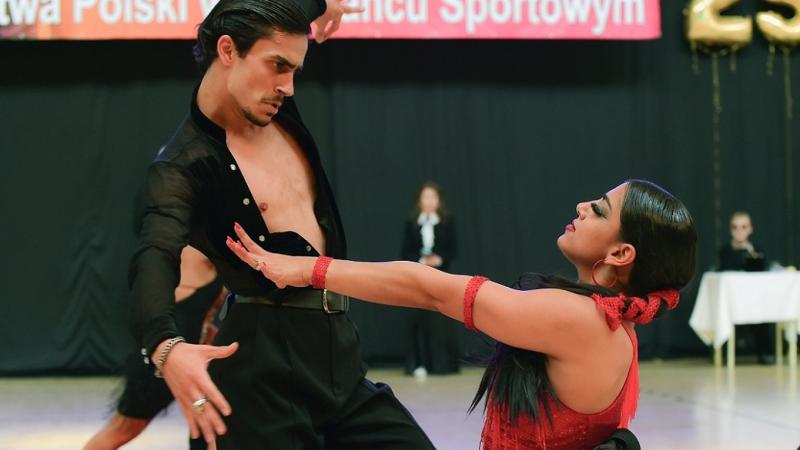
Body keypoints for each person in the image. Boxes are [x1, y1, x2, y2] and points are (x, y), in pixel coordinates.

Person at [128, 0, 434, 448]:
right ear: (228, 51)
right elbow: (154, 254)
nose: (288, 86)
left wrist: (320, 4)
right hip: (261, 371)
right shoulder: (181, 166)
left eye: (295, 70)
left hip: (339, 357)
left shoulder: (274, 109)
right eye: (277, 66)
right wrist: (164, 346)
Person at [227, 179, 697, 449]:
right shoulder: (617, 325)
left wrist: (308, 270)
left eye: (598, 210)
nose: (581, 206)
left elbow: (429, 290)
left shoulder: (584, 321)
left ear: (620, 253)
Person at [84, 246, 225, 450]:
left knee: (210, 431)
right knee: (123, 428)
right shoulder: (190, 249)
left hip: (193, 358)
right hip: (163, 355)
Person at [400, 181, 459, 377]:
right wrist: (420, 261)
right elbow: (405, 251)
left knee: (441, 318)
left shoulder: (447, 221)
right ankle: (419, 363)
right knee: (418, 317)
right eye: (425, 197)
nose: (429, 201)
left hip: (442, 275)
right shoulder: (412, 223)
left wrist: (438, 259)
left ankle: (442, 364)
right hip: (419, 276)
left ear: (439, 201)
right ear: (419, 200)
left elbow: (453, 249)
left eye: (433, 197)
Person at [717, 211, 773, 364]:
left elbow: (762, 270)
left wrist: (750, 252)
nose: (739, 231)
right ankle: (724, 354)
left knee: (762, 315)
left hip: (755, 300)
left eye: (743, 227)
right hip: (732, 301)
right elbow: (726, 270)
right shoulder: (725, 250)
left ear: (750, 229)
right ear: (730, 230)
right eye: (735, 227)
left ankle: (764, 353)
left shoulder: (756, 249)